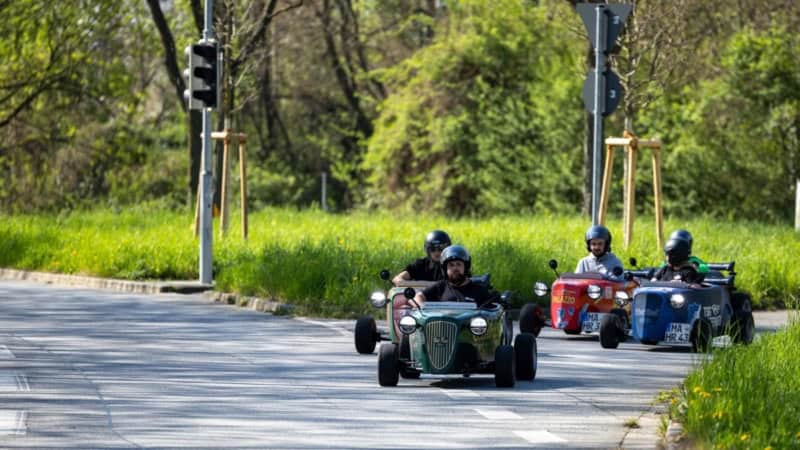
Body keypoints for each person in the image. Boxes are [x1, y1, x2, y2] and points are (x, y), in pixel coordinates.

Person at [413, 245, 494, 308]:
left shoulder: (479, 290)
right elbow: (418, 296)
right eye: (451, 265)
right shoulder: (441, 286)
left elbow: (493, 310)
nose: (455, 268)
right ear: (445, 269)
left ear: (465, 267)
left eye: (458, 264)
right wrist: (423, 308)